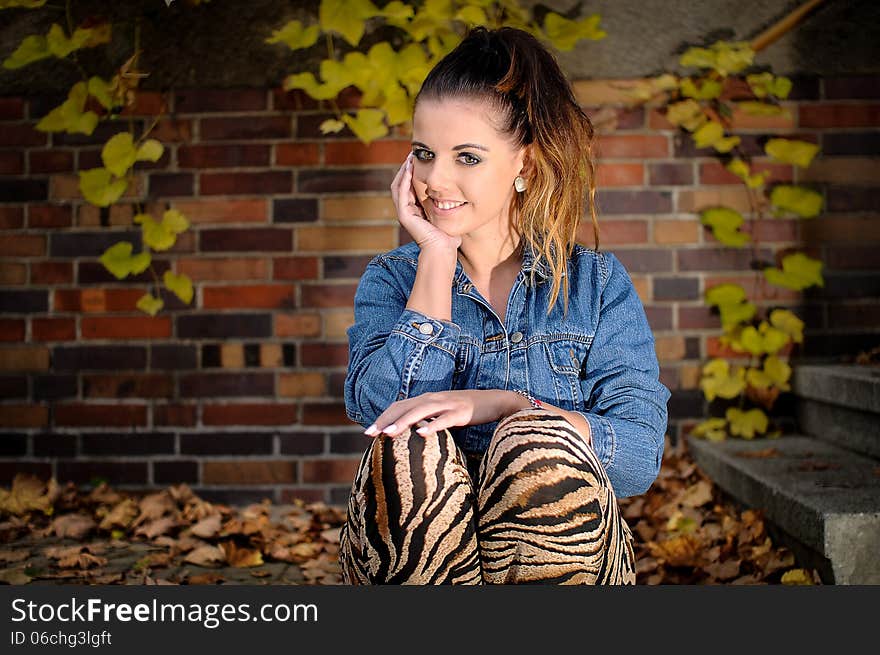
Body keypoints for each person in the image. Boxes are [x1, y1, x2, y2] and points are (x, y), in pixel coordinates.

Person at [339, 25, 670, 585]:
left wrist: (509, 406)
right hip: (423, 565)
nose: (434, 180)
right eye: (424, 153)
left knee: (536, 445)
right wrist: (436, 259)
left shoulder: (594, 285)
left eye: (467, 157)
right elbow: (383, 417)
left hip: (564, 561)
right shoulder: (392, 281)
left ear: (524, 164)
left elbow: (638, 455)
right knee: (411, 451)